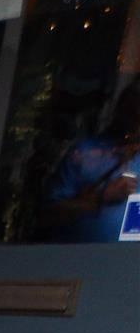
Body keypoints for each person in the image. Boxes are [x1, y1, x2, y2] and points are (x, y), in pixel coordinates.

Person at [43, 79, 140, 242]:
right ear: (121, 112)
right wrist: (101, 197)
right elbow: (48, 215)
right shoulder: (85, 154)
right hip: (78, 260)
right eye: (134, 114)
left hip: (128, 262)